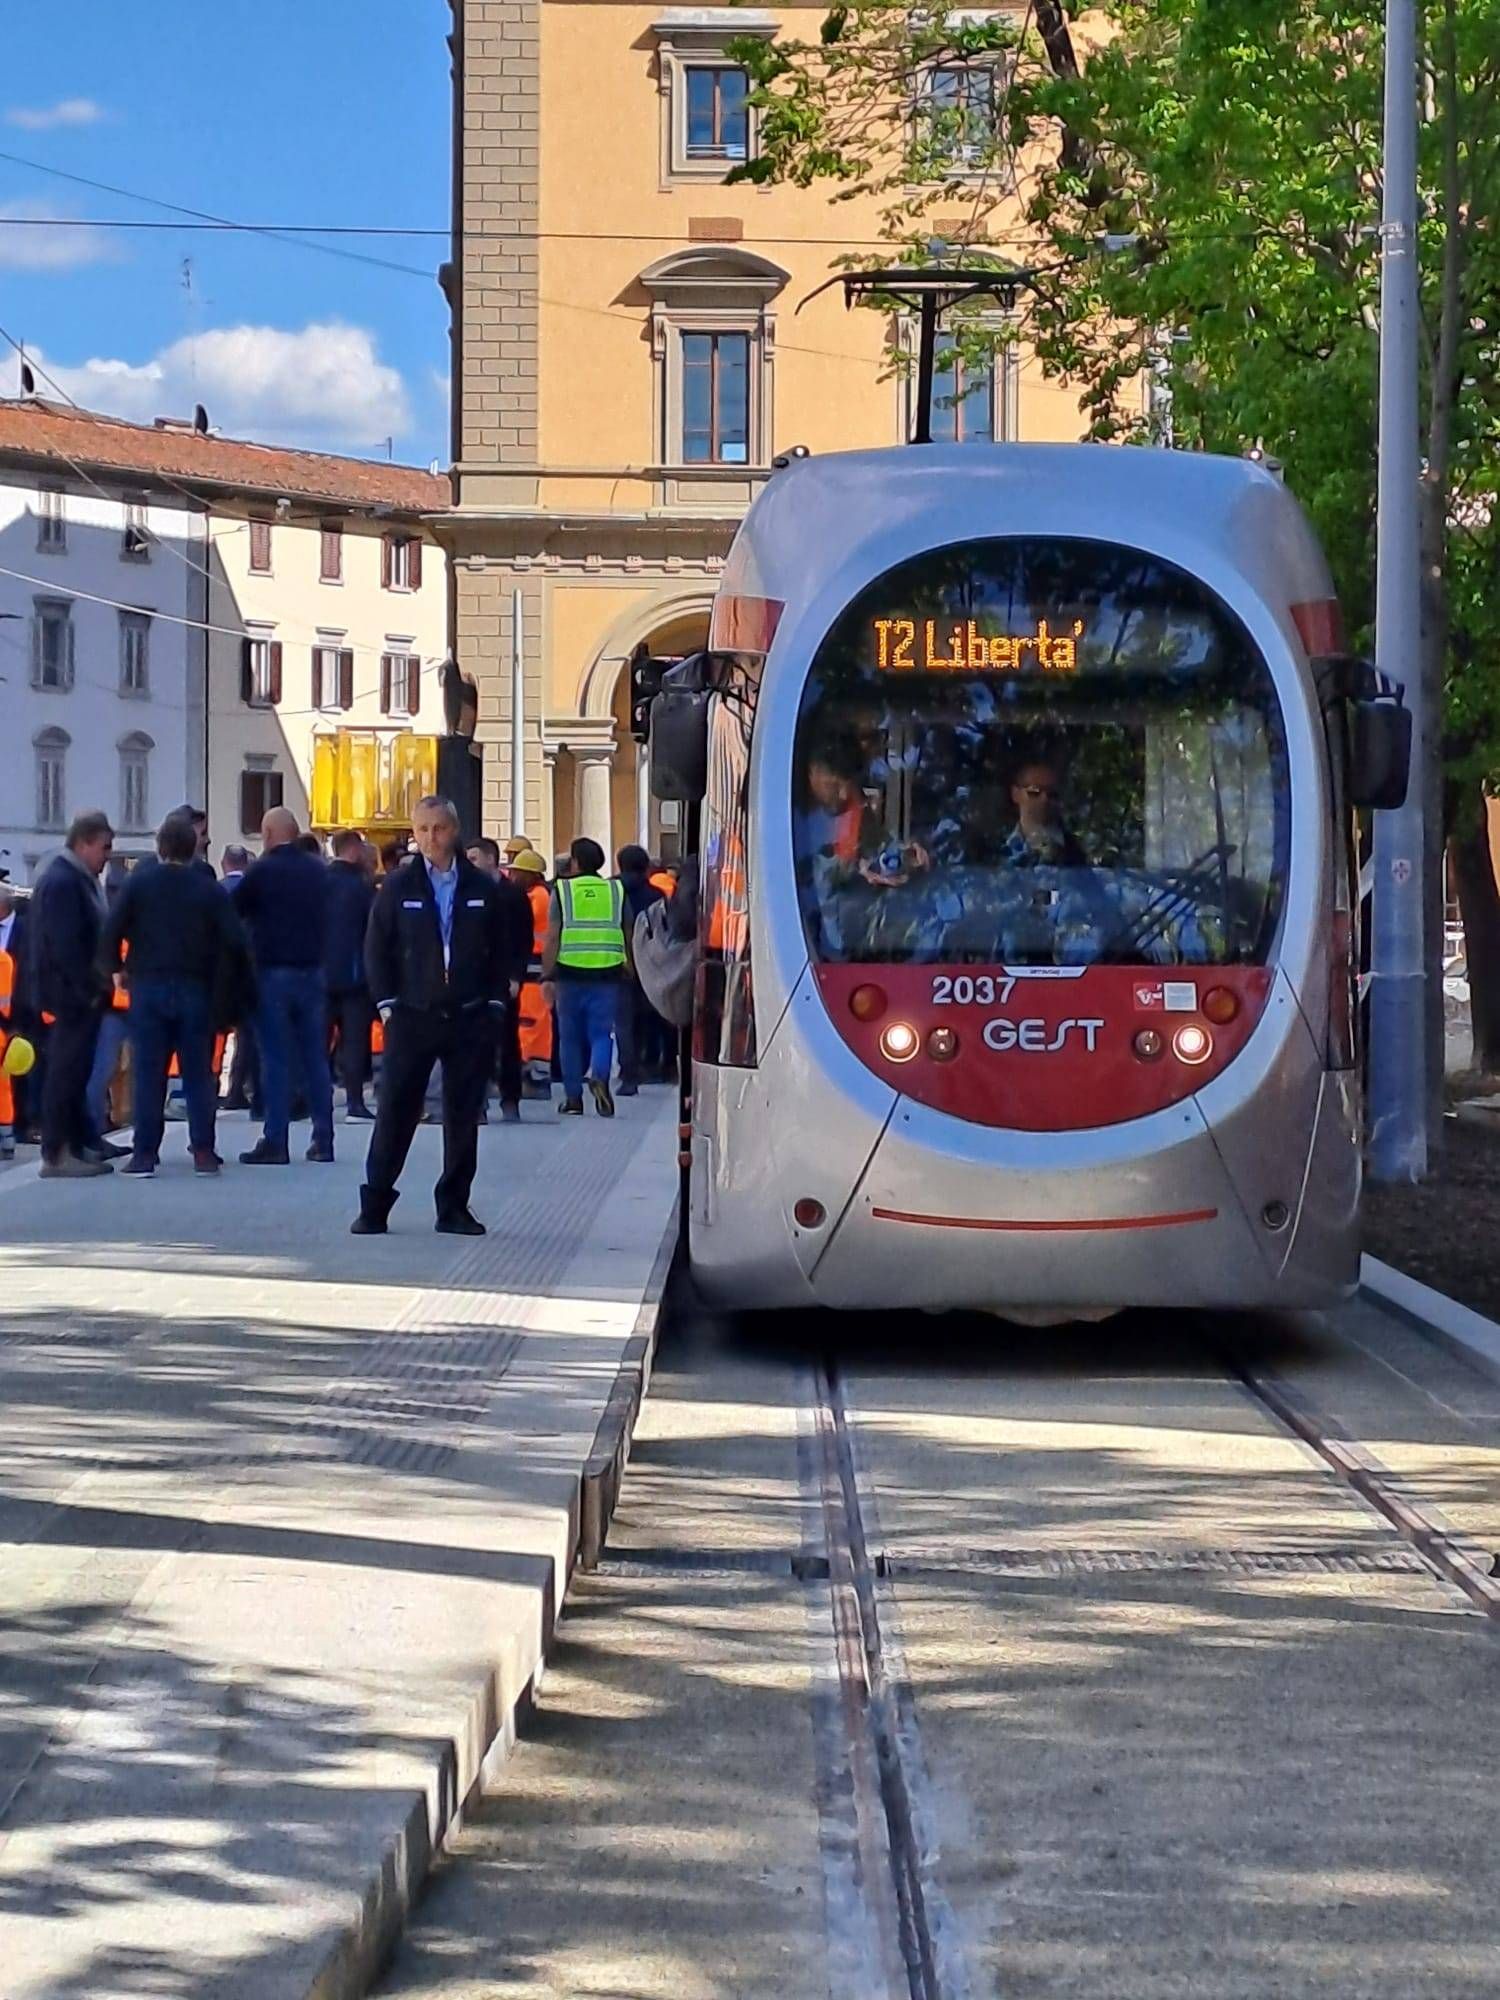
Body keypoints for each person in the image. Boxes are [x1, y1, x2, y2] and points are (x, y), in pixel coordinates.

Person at [353, 795, 521, 1236]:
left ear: (454, 830)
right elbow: (376, 947)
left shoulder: (482, 887)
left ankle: (453, 1206)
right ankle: (375, 1202)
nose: (431, 838)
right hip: (412, 1015)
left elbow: (503, 949)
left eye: (439, 828)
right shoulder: (398, 885)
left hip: (468, 1015)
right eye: (423, 829)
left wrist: (495, 1003)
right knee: (396, 1109)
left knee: (463, 1114)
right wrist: (386, 1003)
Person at [100, 813, 247, 1177]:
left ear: (160, 847)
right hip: (195, 987)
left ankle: (145, 1152)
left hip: (148, 986)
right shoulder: (207, 887)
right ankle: (202, 1150)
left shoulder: (139, 884)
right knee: (197, 1073)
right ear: (193, 848)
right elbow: (234, 942)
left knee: (149, 1072)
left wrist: (117, 971)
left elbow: (111, 929)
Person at [234, 806, 335, 1166]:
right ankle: (324, 1138)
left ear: (268, 835)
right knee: (314, 1058)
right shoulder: (318, 871)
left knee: (276, 1059)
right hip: (313, 971)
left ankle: (276, 1139)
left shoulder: (261, 871)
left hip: (272, 973)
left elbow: (235, 912)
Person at [29, 810, 115, 1178]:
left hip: (76, 992)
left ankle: (78, 1142)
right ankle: (58, 1151)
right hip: (71, 994)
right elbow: (65, 945)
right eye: (104, 847)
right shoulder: (66, 882)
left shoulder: (72, 879)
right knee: (66, 1070)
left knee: (76, 1069)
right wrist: (88, 989)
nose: (107, 856)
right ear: (83, 843)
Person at [542, 836, 627, 1118]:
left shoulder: (563, 891)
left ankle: (573, 1099)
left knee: (569, 1037)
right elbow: (628, 930)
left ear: (575, 862)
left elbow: (553, 935)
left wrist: (547, 974)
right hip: (608, 972)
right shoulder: (615, 890)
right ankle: (600, 1078)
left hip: (569, 973)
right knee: (602, 1033)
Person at [324, 829, 377, 1121]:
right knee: (355, 1041)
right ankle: (355, 1102)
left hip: (321, 973)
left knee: (319, 1040)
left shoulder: (320, 882)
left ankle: (318, 1099)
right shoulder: (362, 886)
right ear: (353, 849)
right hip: (355, 974)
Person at [614, 845, 671, 1095]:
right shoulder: (656, 895)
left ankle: (629, 1071)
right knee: (652, 1015)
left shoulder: (611, 891)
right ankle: (655, 1064)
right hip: (650, 960)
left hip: (617, 960)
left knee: (625, 1020)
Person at [505, 849, 553, 1098]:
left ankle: (532, 1077)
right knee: (532, 1022)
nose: (512, 876)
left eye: (516, 872)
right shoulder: (539, 894)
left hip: (535, 968)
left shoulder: (537, 897)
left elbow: (522, 925)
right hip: (535, 967)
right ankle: (533, 1075)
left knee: (531, 1022)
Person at [1005, 758, 1089, 868]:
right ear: (1015, 794)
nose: (1044, 799)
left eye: (1052, 793)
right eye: (1035, 791)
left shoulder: (1079, 852)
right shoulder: (998, 848)